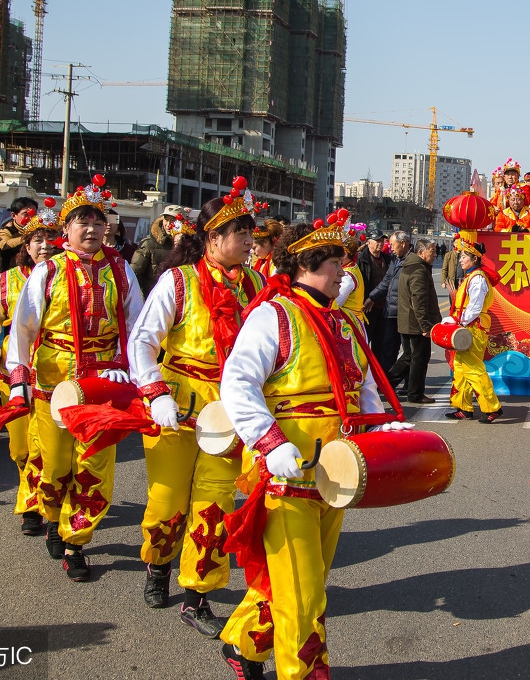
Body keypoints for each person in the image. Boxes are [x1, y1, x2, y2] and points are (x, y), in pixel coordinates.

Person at [216, 215, 404, 680]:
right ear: (306, 264)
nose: (344, 271)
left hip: (335, 471)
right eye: (336, 262)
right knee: (305, 594)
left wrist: (380, 430)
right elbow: (237, 384)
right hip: (285, 472)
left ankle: (243, 644)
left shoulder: (342, 321)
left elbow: (362, 389)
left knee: (305, 578)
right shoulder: (274, 314)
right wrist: (269, 440)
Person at [128, 180, 264, 636]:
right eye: (239, 232)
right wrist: (155, 393)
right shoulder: (177, 281)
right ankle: (158, 566)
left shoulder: (257, 284)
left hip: (229, 412)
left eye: (250, 232)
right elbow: (143, 341)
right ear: (211, 238)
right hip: (178, 404)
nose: (249, 240)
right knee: (167, 499)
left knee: (214, 503)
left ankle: (197, 593)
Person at [5, 175, 144, 582]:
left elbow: (137, 326)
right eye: (82, 221)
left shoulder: (121, 270)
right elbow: (23, 329)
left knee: (95, 466)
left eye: (98, 221)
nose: (91, 229)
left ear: (108, 227)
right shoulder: (47, 271)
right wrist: (20, 379)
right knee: (54, 463)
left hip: (102, 383)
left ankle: (75, 541)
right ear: (65, 228)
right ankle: (51, 516)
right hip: (53, 379)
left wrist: (128, 364)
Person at [0, 201, 58, 535]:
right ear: (26, 245)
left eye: (52, 238)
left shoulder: (71, 278)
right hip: (16, 376)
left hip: (57, 377)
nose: (45, 245)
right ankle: (33, 493)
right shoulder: (8, 280)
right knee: (21, 446)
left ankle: (37, 505)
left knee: (51, 445)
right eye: (38, 239)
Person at [443, 233, 502, 422]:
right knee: (460, 368)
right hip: (468, 325)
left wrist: (458, 322)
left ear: (475, 258)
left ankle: (492, 407)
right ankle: (463, 406)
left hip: (473, 328)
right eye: (460, 256)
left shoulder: (478, 279)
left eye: (464, 257)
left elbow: (474, 307)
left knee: (474, 369)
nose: (460, 260)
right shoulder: (471, 277)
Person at [388, 238, 439, 405]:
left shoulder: (412, 266)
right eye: (432, 252)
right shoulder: (419, 270)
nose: (435, 255)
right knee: (419, 358)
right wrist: (425, 325)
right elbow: (419, 300)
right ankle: (415, 394)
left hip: (409, 320)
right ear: (421, 252)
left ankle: (386, 384)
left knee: (409, 356)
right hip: (416, 322)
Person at [365, 231, 409, 372]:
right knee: (377, 346)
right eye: (376, 241)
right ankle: (377, 378)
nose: (381, 244)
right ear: (368, 242)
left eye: (382, 241)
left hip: (395, 310)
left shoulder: (395, 259)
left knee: (393, 347)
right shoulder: (363, 260)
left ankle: (384, 376)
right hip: (377, 310)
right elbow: (386, 282)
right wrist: (371, 298)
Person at [133, 206, 183, 297]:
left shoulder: (188, 246)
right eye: (166, 220)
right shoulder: (149, 243)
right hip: (152, 299)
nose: (168, 224)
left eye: (173, 220)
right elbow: (134, 272)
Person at [0, 196, 38, 272]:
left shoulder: (39, 229)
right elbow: (4, 245)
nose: (30, 218)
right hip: (12, 273)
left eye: (33, 214)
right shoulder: (6, 231)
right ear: (13, 215)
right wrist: (28, 237)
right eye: (26, 214)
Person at [334, 232, 367, 329]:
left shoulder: (347, 275)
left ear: (344, 254)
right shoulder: (352, 267)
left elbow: (337, 302)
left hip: (350, 323)